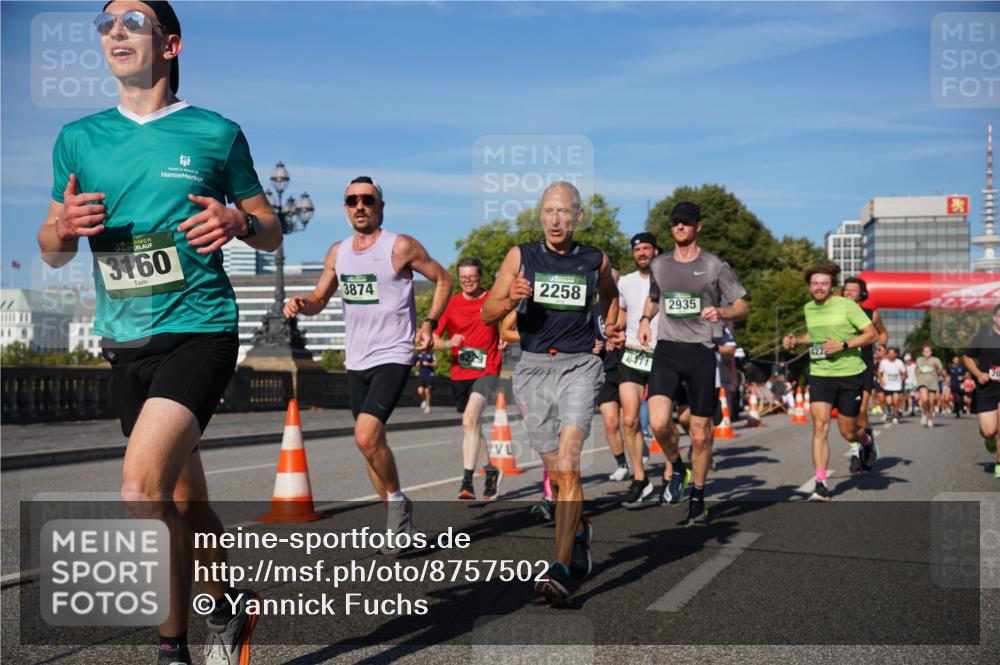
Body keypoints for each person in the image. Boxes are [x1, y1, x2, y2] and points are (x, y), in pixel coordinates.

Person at [37, 3, 280, 664]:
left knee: (140, 489)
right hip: (126, 339)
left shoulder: (215, 133)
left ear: (170, 44)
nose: (115, 31)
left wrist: (237, 222)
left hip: (201, 325)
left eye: (132, 21)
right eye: (106, 22)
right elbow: (52, 247)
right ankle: (230, 602)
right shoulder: (77, 139)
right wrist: (64, 229)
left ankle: (172, 647)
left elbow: (272, 224)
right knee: (184, 500)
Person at [284, 176, 452, 553]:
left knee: (365, 435)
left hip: (393, 353)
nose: (360, 205)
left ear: (380, 206)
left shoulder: (401, 246)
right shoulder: (338, 253)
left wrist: (429, 323)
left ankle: (397, 504)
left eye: (367, 200)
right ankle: (397, 525)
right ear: (345, 208)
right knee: (369, 446)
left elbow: (443, 279)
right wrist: (301, 304)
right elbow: (318, 299)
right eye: (352, 200)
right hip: (355, 359)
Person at [482, 181, 619, 605]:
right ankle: (579, 530)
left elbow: (610, 295)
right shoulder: (521, 257)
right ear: (540, 216)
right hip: (534, 367)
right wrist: (509, 298)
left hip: (580, 365)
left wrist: (607, 331)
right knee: (557, 475)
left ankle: (558, 567)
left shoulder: (594, 260)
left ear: (578, 216)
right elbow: (488, 311)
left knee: (570, 462)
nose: (555, 220)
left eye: (563, 212)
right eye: (548, 212)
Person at [638, 201, 749, 526]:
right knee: (658, 423)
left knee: (700, 436)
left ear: (698, 226)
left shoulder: (714, 266)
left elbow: (742, 307)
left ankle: (698, 496)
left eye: (686, 222)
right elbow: (656, 297)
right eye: (675, 223)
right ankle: (679, 467)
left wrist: (724, 312)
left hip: (700, 352)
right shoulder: (660, 265)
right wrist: (645, 320)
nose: (680, 227)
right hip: (667, 350)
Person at [783, 264, 878, 501]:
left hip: (849, 373)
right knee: (820, 426)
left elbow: (872, 334)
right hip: (820, 373)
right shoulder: (808, 308)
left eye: (824, 283)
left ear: (832, 287)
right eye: (815, 283)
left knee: (848, 432)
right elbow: (814, 335)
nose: (819, 287)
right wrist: (796, 340)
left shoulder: (847, 305)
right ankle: (821, 483)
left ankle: (865, 439)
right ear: (809, 286)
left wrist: (843, 345)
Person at [432, 257, 503, 500]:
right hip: (460, 372)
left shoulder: (493, 299)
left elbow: (512, 318)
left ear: (480, 276)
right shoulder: (452, 304)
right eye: (463, 278)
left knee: (470, 420)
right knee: (472, 425)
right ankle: (491, 469)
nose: (468, 281)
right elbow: (432, 339)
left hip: (488, 370)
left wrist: (507, 336)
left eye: (472, 277)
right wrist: (448, 343)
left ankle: (467, 482)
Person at [615, 233, 661, 495]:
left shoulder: (667, 280)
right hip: (632, 354)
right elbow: (621, 311)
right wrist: (616, 330)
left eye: (646, 248)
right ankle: (639, 477)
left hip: (660, 354)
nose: (642, 253)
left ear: (655, 251)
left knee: (659, 422)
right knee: (630, 420)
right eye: (637, 249)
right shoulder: (625, 282)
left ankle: (670, 472)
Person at [841, 277, 887, 472]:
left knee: (860, 411)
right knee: (848, 412)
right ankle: (859, 444)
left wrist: (882, 346)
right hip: (843, 366)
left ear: (862, 294)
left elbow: (882, 333)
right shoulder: (837, 314)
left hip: (865, 366)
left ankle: (860, 448)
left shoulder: (871, 314)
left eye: (853, 290)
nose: (849, 293)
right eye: (846, 290)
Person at [965, 304, 1000, 478]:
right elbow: (968, 356)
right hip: (987, 389)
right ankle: (989, 439)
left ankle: (999, 465)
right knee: (989, 431)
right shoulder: (982, 336)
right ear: (995, 317)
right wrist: (978, 374)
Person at [915, 345, 945, 427]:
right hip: (922, 382)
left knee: (931, 402)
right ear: (922, 352)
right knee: (924, 399)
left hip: (932, 382)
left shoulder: (935, 360)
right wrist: (916, 381)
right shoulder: (919, 360)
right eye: (925, 351)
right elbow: (917, 371)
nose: (926, 353)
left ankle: (930, 418)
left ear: (931, 352)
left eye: (928, 351)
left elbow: (940, 372)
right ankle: (924, 413)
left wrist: (937, 367)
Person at [878, 347, 906, 424]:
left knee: (896, 401)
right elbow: (879, 372)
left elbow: (904, 372)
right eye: (889, 353)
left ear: (896, 354)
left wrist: (902, 378)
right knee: (889, 402)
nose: (890, 355)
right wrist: (881, 380)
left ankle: (895, 416)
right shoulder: (883, 362)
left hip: (896, 385)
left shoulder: (899, 362)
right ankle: (889, 411)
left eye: (892, 353)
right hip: (887, 386)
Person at [415, 349, 436, 413]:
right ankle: (424, 400)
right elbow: (416, 363)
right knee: (420, 391)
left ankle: (427, 406)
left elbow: (435, 364)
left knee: (427, 391)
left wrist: (429, 364)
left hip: (429, 374)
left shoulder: (431, 354)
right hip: (421, 375)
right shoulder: (419, 354)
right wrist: (417, 364)